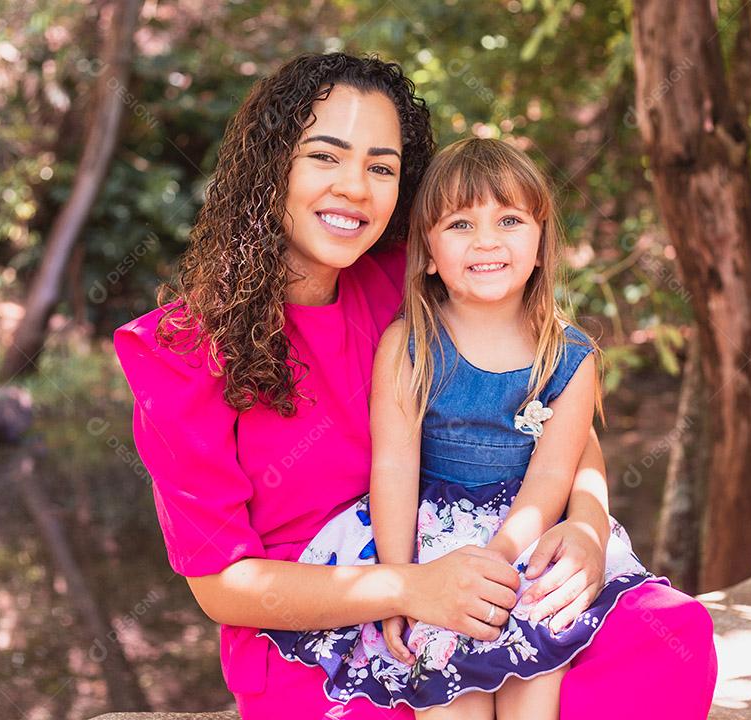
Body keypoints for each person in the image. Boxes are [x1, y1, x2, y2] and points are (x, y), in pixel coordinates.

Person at [113, 52, 717, 720]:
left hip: (475, 567)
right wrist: (407, 588)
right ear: (271, 167)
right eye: (325, 156)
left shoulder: (415, 277)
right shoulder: (181, 351)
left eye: (381, 166)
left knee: (672, 638)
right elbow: (223, 585)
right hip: (321, 626)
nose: (354, 188)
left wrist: (588, 526)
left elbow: (552, 410)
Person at [258, 138, 666, 718]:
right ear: (426, 252)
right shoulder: (409, 346)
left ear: (541, 244)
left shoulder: (570, 357)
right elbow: (394, 466)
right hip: (428, 540)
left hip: (530, 534)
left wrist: (501, 553)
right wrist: (401, 578)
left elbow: (554, 471)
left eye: (508, 219)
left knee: (538, 666)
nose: (486, 240)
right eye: (459, 224)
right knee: (445, 685)